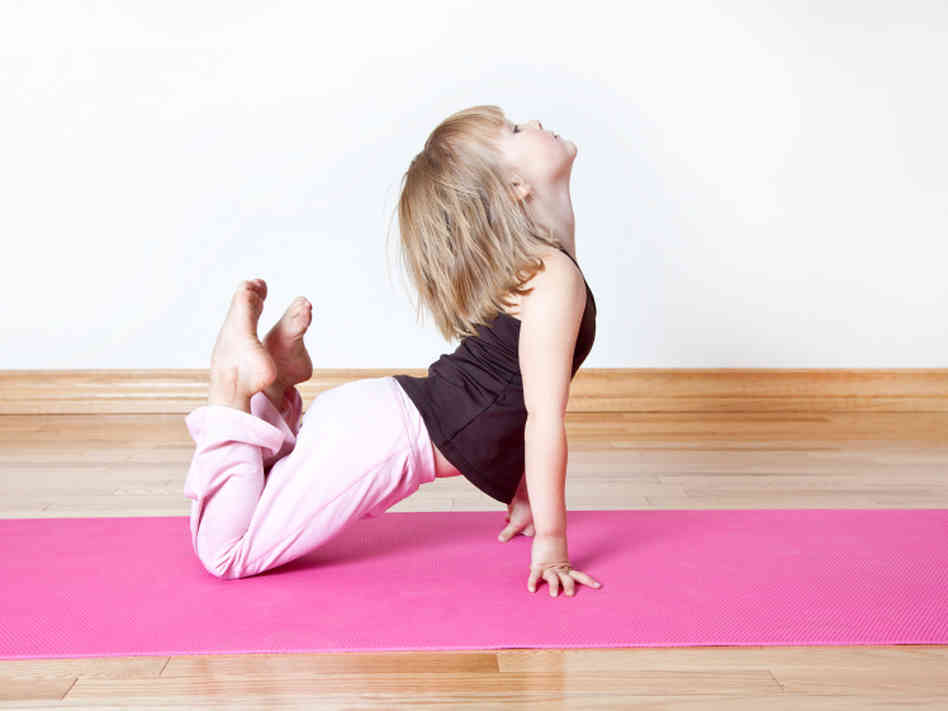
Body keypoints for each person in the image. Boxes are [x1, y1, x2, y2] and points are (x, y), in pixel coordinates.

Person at [184, 105, 603, 598]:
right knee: (227, 553)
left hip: (376, 420)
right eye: (514, 129)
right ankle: (233, 387)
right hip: (379, 440)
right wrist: (552, 545)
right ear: (515, 187)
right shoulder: (552, 277)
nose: (532, 122)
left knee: (271, 483)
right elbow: (542, 420)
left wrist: (524, 493)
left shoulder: (544, 268)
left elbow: (511, 395)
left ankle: (274, 387)